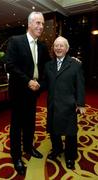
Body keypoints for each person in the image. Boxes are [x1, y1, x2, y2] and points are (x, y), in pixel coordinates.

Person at [5, 11, 50, 175]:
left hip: (34, 92)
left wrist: (68, 60)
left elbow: (49, 66)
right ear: (29, 24)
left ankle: (29, 148)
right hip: (18, 91)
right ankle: (16, 156)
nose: (41, 26)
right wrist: (27, 81)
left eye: (43, 24)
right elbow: (10, 65)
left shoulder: (42, 46)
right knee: (17, 125)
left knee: (30, 122)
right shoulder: (16, 41)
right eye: (38, 23)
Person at [43, 36, 86, 169]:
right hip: (53, 104)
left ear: (67, 48)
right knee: (54, 130)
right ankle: (57, 150)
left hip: (69, 105)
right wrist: (34, 85)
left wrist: (81, 104)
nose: (58, 48)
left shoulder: (75, 64)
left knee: (70, 133)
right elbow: (45, 83)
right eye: (56, 45)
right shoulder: (48, 65)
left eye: (61, 46)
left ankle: (70, 156)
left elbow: (80, 85)